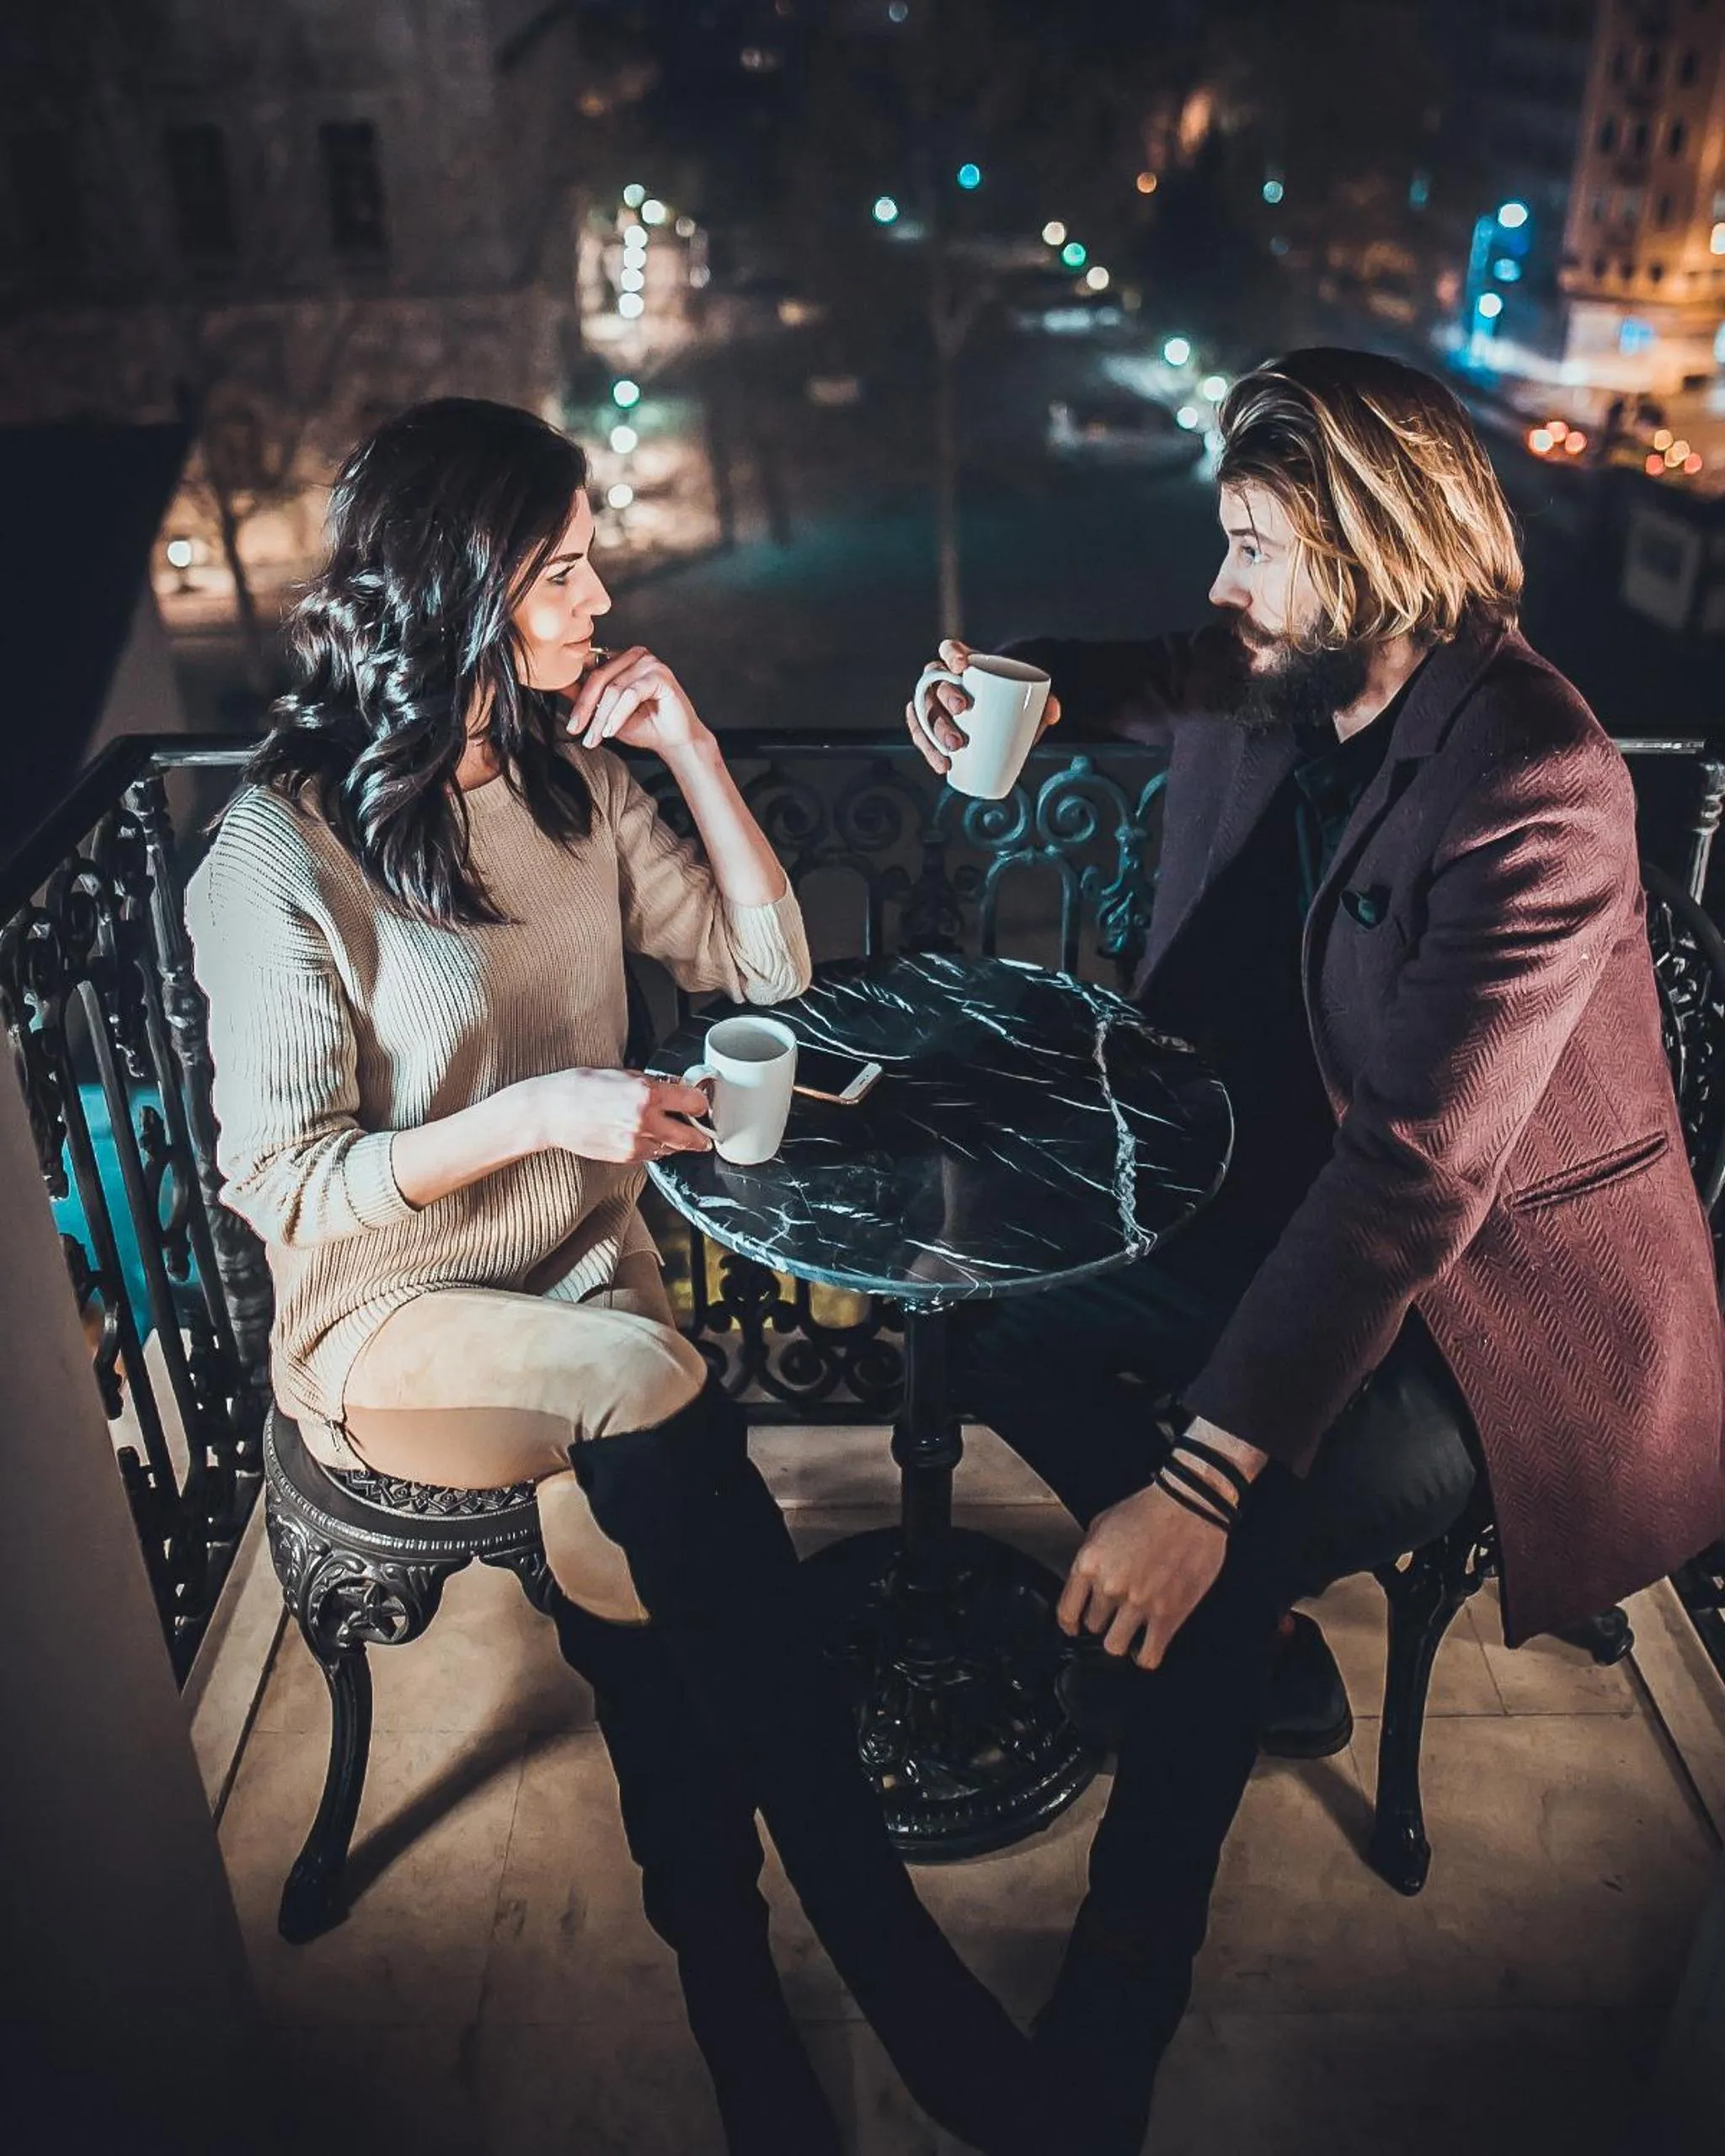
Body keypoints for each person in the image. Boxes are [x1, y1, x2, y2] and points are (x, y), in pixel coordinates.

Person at [190, 398, 1062, 2156]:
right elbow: (285, 1186)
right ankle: (884, 1951)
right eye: (565, 568)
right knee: (656, 1397)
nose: (601, 595)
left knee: (657, 1621)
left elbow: (765, 965)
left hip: (587, 1287)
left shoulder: (568, 784)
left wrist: (693, 750)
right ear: (461, 587)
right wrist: (538, 1109)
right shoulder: (277, 851)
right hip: (385, 1313)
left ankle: (741, 2011)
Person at [905, 348, 1725, 2152]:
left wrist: (1196, 1479)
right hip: (1297, 1209)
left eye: (1257, 544)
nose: (1226, 582)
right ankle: (1246, 1616)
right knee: (975, 1297)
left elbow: (1417, 1180)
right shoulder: (1307, 672)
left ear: (1372, 555)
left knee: (1220, 1534)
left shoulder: (1538, 778)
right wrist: (1014, 690)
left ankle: (1094, 2063)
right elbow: (1174, 673)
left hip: (1496, 1307)